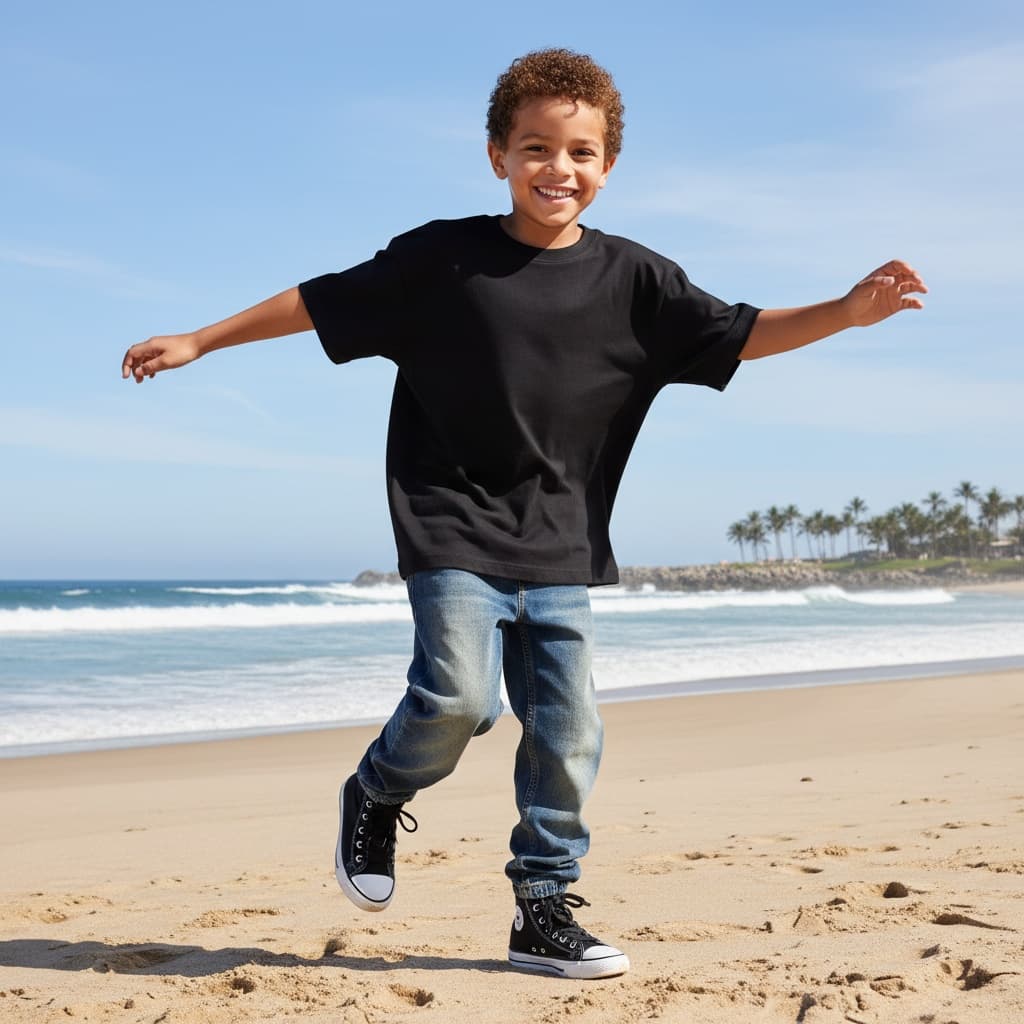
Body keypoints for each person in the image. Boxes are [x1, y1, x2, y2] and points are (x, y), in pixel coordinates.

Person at [120, 48, 926, 980]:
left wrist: (846, 311)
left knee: (568, 729)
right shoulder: (442, 259)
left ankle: (542, 908)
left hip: (563, 540)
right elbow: (321, 300)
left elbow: (743, 334)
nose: (559, 169)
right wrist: (203, 340)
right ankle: (378, 790)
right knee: (461, 700)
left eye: (581, 152)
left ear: (609, 166)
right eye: (536, 148)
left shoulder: (638, 281)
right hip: (451, 521)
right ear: (498, 155)